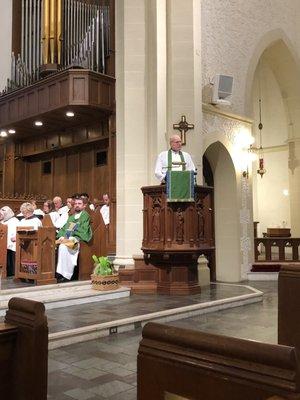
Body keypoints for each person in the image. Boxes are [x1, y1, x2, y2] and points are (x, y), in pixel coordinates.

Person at [56, 197, 92, 282]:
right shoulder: (71, 217)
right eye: (75, 204)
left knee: (64, 247)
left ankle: (66, 275)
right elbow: (65, 228)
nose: (77, 205)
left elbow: (84, 230)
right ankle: (61, 273)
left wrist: (73, 230)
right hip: (69, 239)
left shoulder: (85, 215)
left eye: (79, 204)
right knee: (61, 247)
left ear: (84, 206)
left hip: (78, 241)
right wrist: (61, 236)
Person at [0, 206, 19, 276]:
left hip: (12, 245)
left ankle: (10, 272)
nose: (0, 216)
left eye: (1, 214)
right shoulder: (2, 222)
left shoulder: (15, 221)